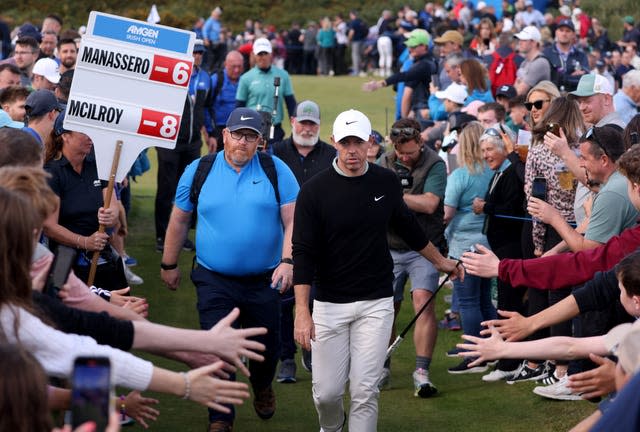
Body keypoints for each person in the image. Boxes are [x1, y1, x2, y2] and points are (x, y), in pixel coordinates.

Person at [0, 186, 256, 420]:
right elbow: (81, 350)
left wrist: (117, 404)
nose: (40, 245)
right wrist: (184, 380)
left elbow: (39, 387)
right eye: (33, 237)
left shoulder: (23, 298)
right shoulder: (17, 307)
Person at [292, 109, 462, 432]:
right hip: (329, 303)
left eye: (358, 142)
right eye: (345, 143)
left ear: (371, 142)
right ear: (334, 143)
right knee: (326, 394)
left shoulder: (385, 181)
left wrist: (442, 263)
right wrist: (302, 310)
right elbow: (303, 253)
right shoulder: (313, 191)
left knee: (364, 391)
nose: (352, 150)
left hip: (376, 302)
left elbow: (410, 229)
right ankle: (332, 427)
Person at [161, 108, 299, 432]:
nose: (243, 142)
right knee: (216, 346)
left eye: (251, 137)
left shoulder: (276, 170)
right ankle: (220, 418)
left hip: (266, 278)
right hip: (214, 278)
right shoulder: (199, 170)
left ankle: (262, 385)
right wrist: (168, 263)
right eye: (238, 134)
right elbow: (179, 220)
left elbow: (294, 221)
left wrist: (288, 260)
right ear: (225, 135)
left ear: (260, 141)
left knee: (266, 349)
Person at [377, 118, 447, 397]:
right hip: (388, 246)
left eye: (409, 151)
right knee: (386, 309)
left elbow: (430, 204)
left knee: (423, 303)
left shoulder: (435, 163)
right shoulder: (385, 160)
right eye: (400, 152)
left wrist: (394, 195)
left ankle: (422, 371)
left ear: (420, 141)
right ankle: (381, 366)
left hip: (423, 247)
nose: (405, 157)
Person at [271, 100, 335, 383]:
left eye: (312, 124)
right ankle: (287, 358)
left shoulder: (331, 154)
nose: (307, 128)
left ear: (318, 125)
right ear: (293, 121)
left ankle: (311, 348)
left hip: (323, 240)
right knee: (285, 300)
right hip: (285, 237)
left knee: (317, 299)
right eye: (302, 122)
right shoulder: (276, 152)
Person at [43, 111, 127, 291]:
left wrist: (110, 216)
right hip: (64, 256)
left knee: (121, 303)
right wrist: (84, 241)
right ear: (65, 136)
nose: (92, 138)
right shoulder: (52, 171)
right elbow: (49, 226)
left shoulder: (98, 163)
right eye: (85, 133)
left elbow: (112, 206)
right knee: (63, 306)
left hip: (101, 251)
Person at [472, 125, 527, 381]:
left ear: (504, 149)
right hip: (501, 247)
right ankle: (506, 359)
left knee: (509, 305)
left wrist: (486, 207)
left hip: (512, 248)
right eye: (483, 150)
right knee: (504, 303)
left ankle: (510, 363)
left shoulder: (511, 174)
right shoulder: (498, 174)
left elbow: (511, 207)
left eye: (490, 149)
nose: (486, 155)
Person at [443, 122, 496, 373]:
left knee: (468, 302)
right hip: (487, 243)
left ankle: (475, 355)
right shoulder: (493, 171)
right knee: (484, 300)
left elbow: (446, 212)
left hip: (464, 244)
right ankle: (492, 349)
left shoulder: (460, 175)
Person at [155, 40, 212, 253]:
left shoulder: (206, 78)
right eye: (194, 52)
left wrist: (209, 132)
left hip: (193, 143)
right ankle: (161, 235)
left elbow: (205, 108)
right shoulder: (171, 76)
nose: (197, 56)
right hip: (169, 142)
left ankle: (183, 236)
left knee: (188, 190)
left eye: (200, 53)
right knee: (166, 190)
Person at [362, 29, 437, 122]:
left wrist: (380, 84)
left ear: (424, 46)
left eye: (413, 46)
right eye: (409, 46)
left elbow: (405, 78)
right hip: (424, 109)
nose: (409, 49)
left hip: (423, 111)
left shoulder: (423, 65)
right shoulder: (429, 60)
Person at [236, 38, 297, 146]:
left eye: (265, 53)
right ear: (254, 55)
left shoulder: (283, 75)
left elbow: (291, 104)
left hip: (275, 129)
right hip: (252, 129)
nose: (262, 57)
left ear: (271, 54)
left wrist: (296, 127)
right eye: (259, 54)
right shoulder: (246, 78)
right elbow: (239, 106)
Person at [205, 50, 244, 153]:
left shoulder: (245, 81)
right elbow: (206, 106)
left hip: (239, 131)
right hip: (218, 130)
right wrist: (209, 133)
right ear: (226, 65)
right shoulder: (216, 80)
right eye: (233, 66)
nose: (236, 70)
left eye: (239, 67)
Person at [543, 19, 589, 92]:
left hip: (573, 98)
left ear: (573, 34)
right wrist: (571, 76)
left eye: (568, 31)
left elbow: (585, 80)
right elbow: (546, 79)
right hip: (552, 98)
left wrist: (560, 77)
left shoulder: (581, 55)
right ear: (556, 32)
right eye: (561, 30)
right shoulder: (546, 53)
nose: (564, 34)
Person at [513, 26, 551, 96]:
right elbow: (515, 88)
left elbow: (519, 92)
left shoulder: (540, 62)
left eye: (524, 40)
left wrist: (520, 82)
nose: (520, 43)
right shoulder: (524, 62)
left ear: (534, 43)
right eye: (520, 39)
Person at [203, 7, 225, 72]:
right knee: (211, 57)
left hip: (217, 42)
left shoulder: (217, 22)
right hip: (211, 42)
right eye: (217, 14)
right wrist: (206, 39)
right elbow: (205, 30)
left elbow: (217, 31)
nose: (218, 16)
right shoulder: (210, 21)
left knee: (217, 57)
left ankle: (215, 70)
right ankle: (209, 70)